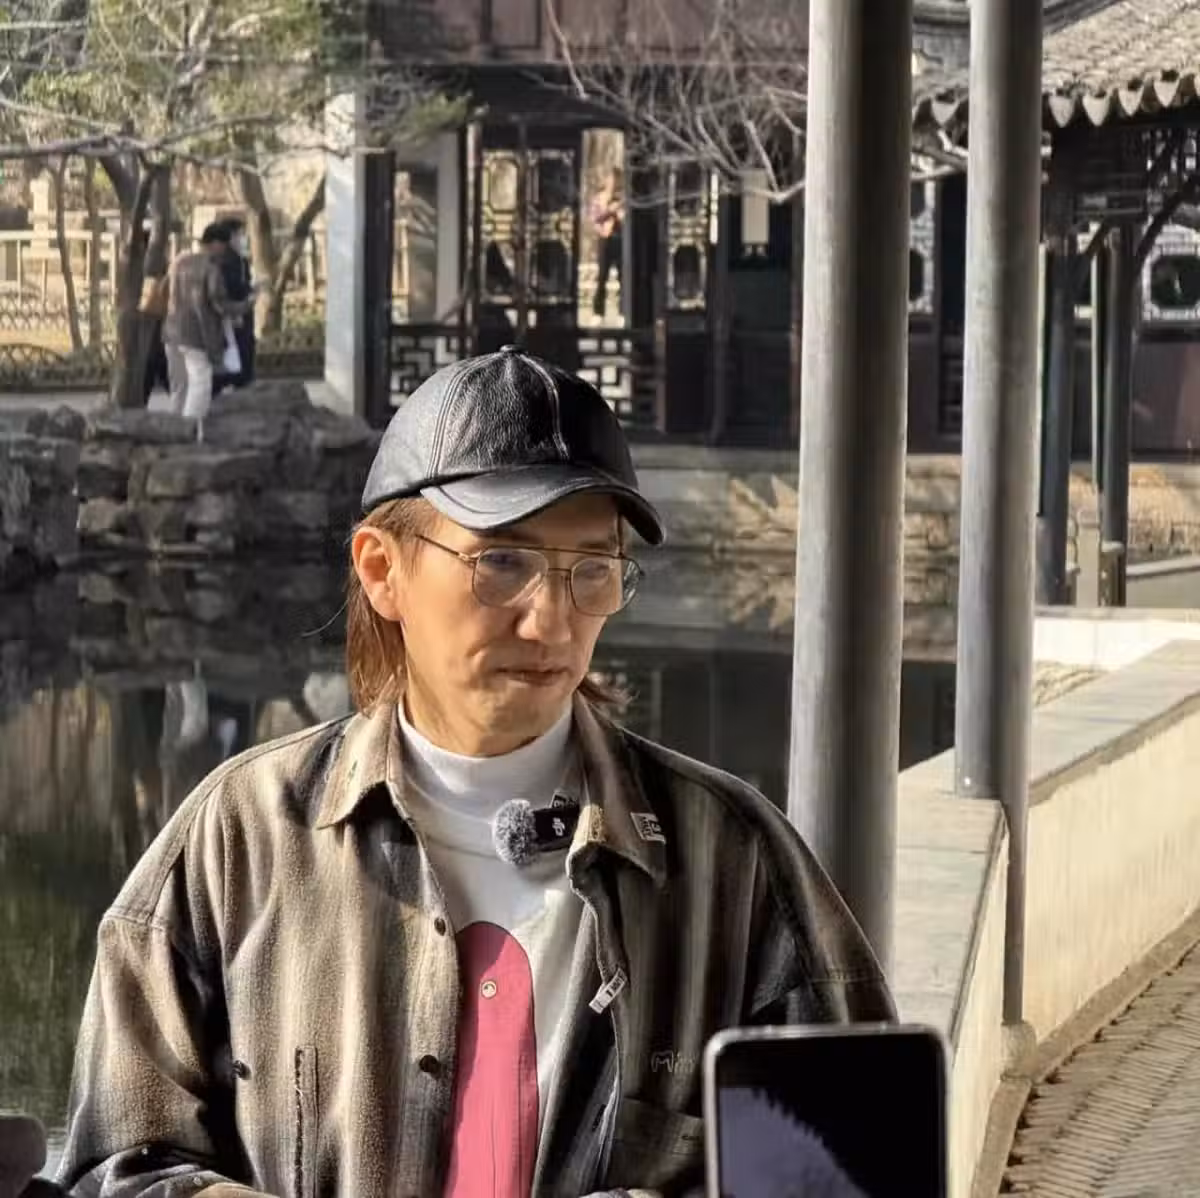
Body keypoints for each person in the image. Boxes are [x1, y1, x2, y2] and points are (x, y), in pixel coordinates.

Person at [57, 347, 894, 1198]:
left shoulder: (733, 863)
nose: (551, 620)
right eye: (502, 563)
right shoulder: (239, 842)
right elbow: (120, 1168)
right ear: (382, 570)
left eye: (592, 570)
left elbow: (857, 1171)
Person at [162, 223, 250, 441]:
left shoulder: (180, 262)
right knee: (200, 383)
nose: (227, 250)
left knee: (180, 387)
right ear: (216, 244)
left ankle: (173, 431)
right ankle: (189, 433)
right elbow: (219, 303)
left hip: (171, 332)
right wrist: (246, 305)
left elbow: (164, 291)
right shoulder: (211, 268)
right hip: (196, 335)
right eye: (226, 245)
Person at [212, 217, 256, 392]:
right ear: (230, 237)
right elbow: (230, 289)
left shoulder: (238, 260)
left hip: (238, 313)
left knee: (236, 354)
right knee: (238, 354)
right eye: (239, 234)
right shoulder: (228, 261)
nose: (242, 238)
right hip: (235, 315)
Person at [591, 167, 624, 321]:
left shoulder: (622, 199)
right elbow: (594, 218)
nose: (613, 183)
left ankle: (622, 312)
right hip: (605, 238)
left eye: (616, 180)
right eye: (611, 180)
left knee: (623, 277)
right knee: (602, 276)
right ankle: (598, 312)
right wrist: (609, 211)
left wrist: (619, 213)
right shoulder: (599, 198)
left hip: (620, 239)